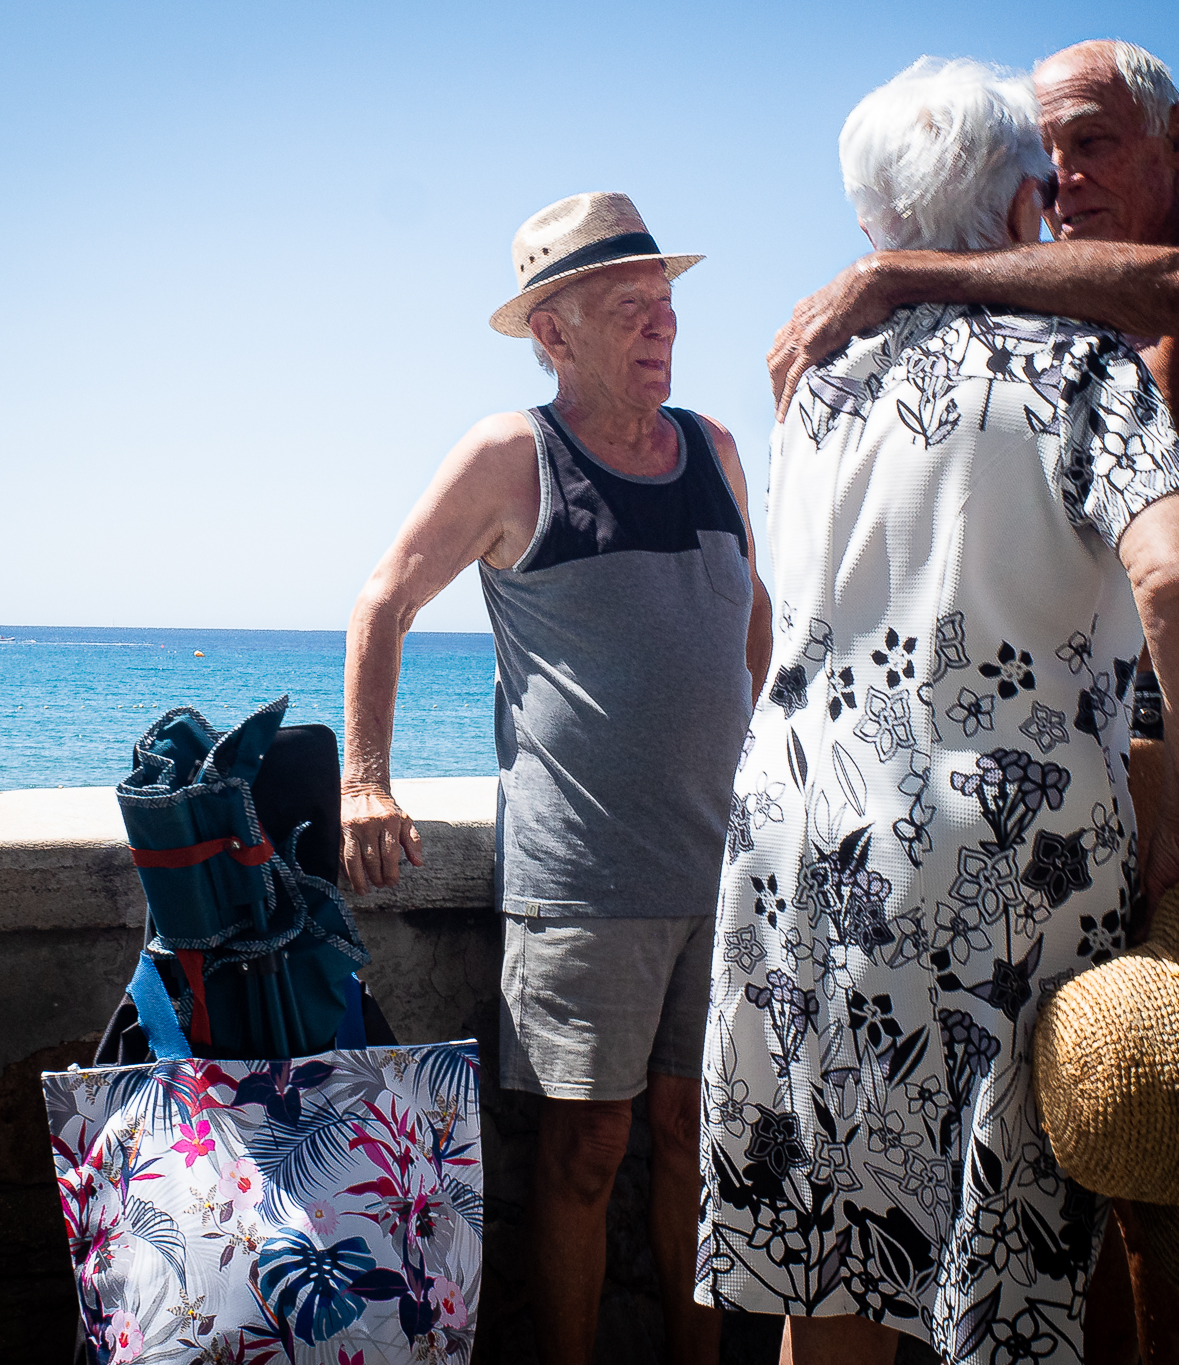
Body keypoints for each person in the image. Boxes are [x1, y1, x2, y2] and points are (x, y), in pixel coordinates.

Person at [695, 58, 1179, 1365]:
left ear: (874, 228)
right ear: (1017, 216)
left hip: (801, 838)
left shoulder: (812, 384)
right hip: (1004, 851)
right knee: (1005, 1272)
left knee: (836, 1256)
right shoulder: (1079, 365)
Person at [339, 191, 772, 1365]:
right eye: (627, 308)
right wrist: (364, 783)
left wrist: (774, 759)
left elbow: (755, 624)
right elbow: (383, 600)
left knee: (697, 1139)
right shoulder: (508, 456)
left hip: (721, 873)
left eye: (665, 306)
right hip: (583, 881)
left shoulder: (716, 451)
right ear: (552, 332)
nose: (659, 327)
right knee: (583, 1158)